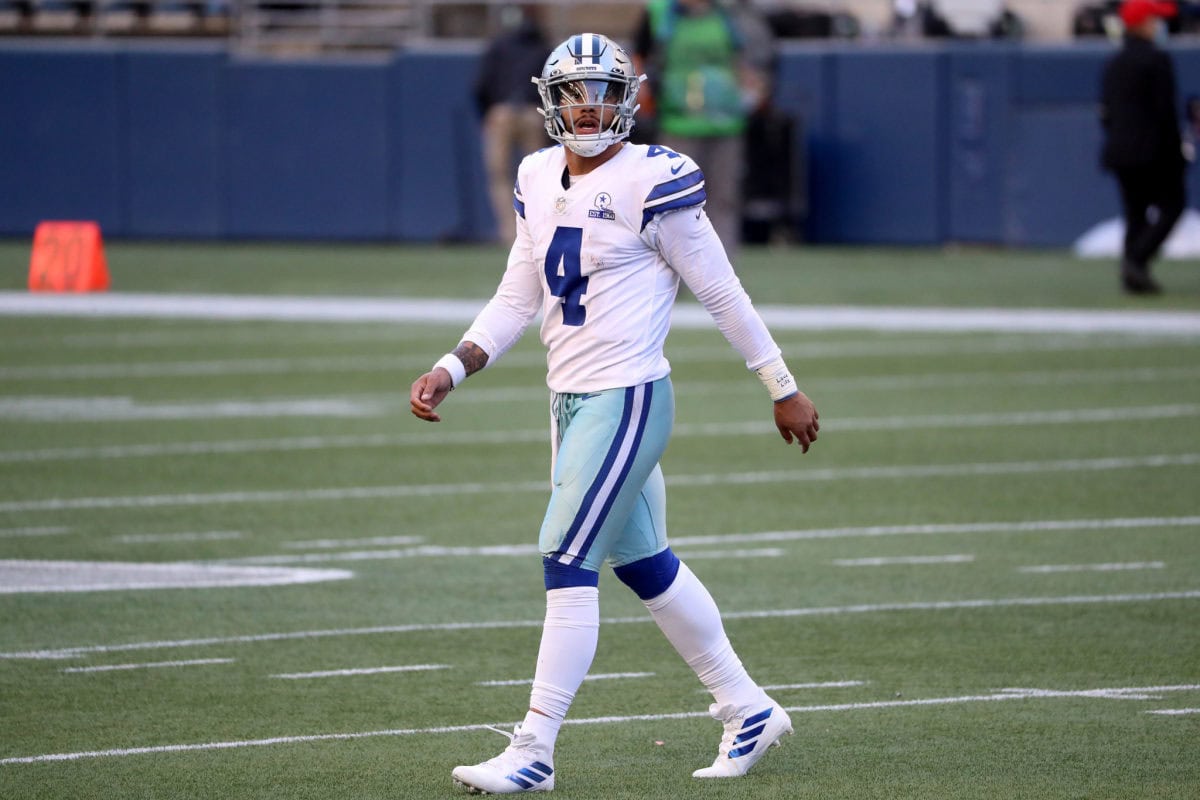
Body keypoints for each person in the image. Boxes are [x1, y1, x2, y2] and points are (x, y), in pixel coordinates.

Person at [410, 32, 819, 795]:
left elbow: (723, 292)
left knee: (565, 560)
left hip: (627, 397)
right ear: (553, 101)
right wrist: (454, 364)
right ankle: (747, 706)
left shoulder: (653, 180)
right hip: (570, 403)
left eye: (602, 90)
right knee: (645, 563)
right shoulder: (535, 174)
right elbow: (518, 297)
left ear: (628, 97)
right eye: (575, 92)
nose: (589, 105)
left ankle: (534, 749)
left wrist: (780, 383)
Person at [633, 0, 769, 256]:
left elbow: (745, 61)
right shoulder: (660, 12)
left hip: (726, 124)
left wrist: (751, 92)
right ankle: (671, 271)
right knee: (672, 202)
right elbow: (639, 56)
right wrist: (645, 94)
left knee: (724, 200)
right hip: (677, 123)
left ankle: (721, 271)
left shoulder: (729, 14)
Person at [1099, 0, 1188, 295]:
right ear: (1141, 23)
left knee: (1135, 213)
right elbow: (1165, 113)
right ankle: (1137, 260)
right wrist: (1177, 153)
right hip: (1152, 152)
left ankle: (1133, 272)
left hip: (1120, 152)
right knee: (1173, 205)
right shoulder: (1156, 60)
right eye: (1153, 20)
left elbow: (1107, 113)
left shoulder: (1115, 63)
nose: (1158, 26)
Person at [473, 5, 552, 243]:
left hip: (502, 112)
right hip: (533, 113)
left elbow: (481, 85)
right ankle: (538, 230)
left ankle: (511, 235)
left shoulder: (498, 45)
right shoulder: (543, 46)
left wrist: (488, 113)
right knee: (538, 176)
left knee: (500, 177)